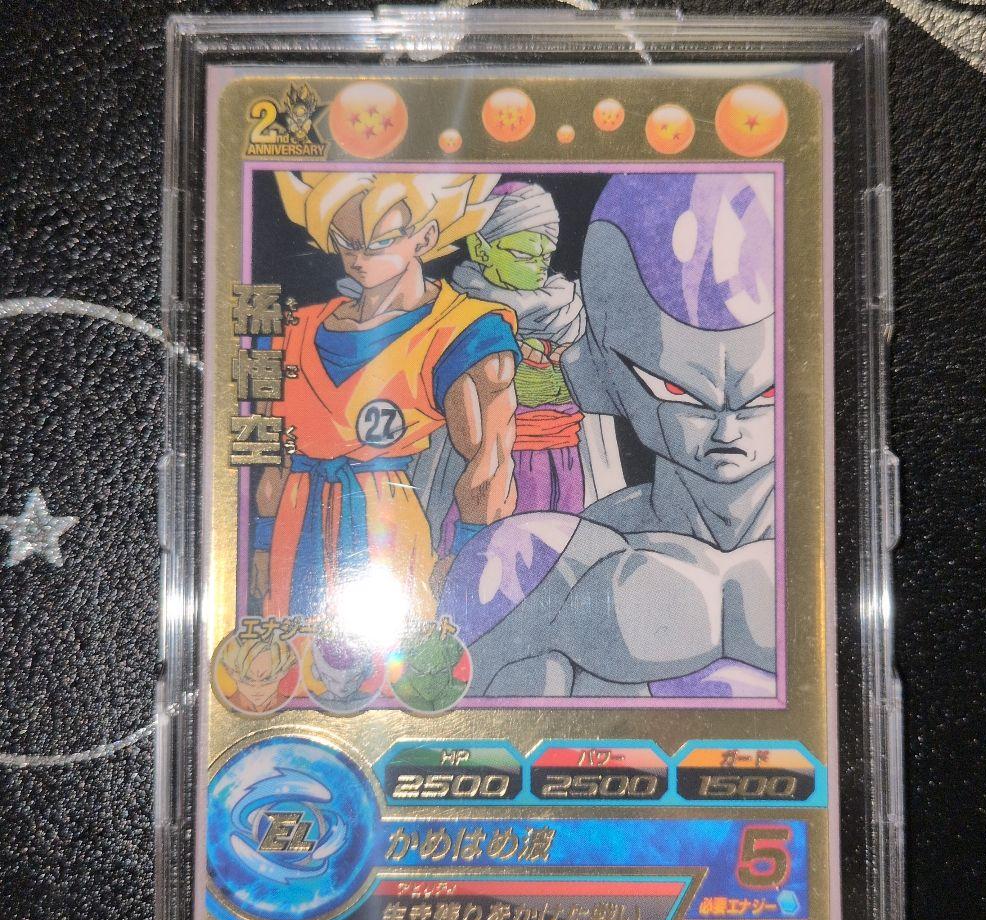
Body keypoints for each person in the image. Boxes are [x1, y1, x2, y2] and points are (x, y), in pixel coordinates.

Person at [438, 172, 777, 697]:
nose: (726, 428)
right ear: (596, 374)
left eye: (765, 394)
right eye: (677, 390)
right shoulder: (546, 562)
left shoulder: (834, 540)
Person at [251, 172, 521, 623]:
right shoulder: (291, 330)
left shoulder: (464, 330)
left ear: (425, 237)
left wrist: (468, 558)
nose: (358, 259)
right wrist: (261, 547)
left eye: (379, 242)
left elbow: (489, 462)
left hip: (385, 530)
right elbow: (272, 461)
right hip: (291, 534)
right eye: (346, 242)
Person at [449, 181, 586, 535]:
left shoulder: (568, 309)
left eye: (546, 256)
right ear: (480, 249)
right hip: (503, 466)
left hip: (569, 462)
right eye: (525, 256)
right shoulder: (463, 314)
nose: (540, 268)